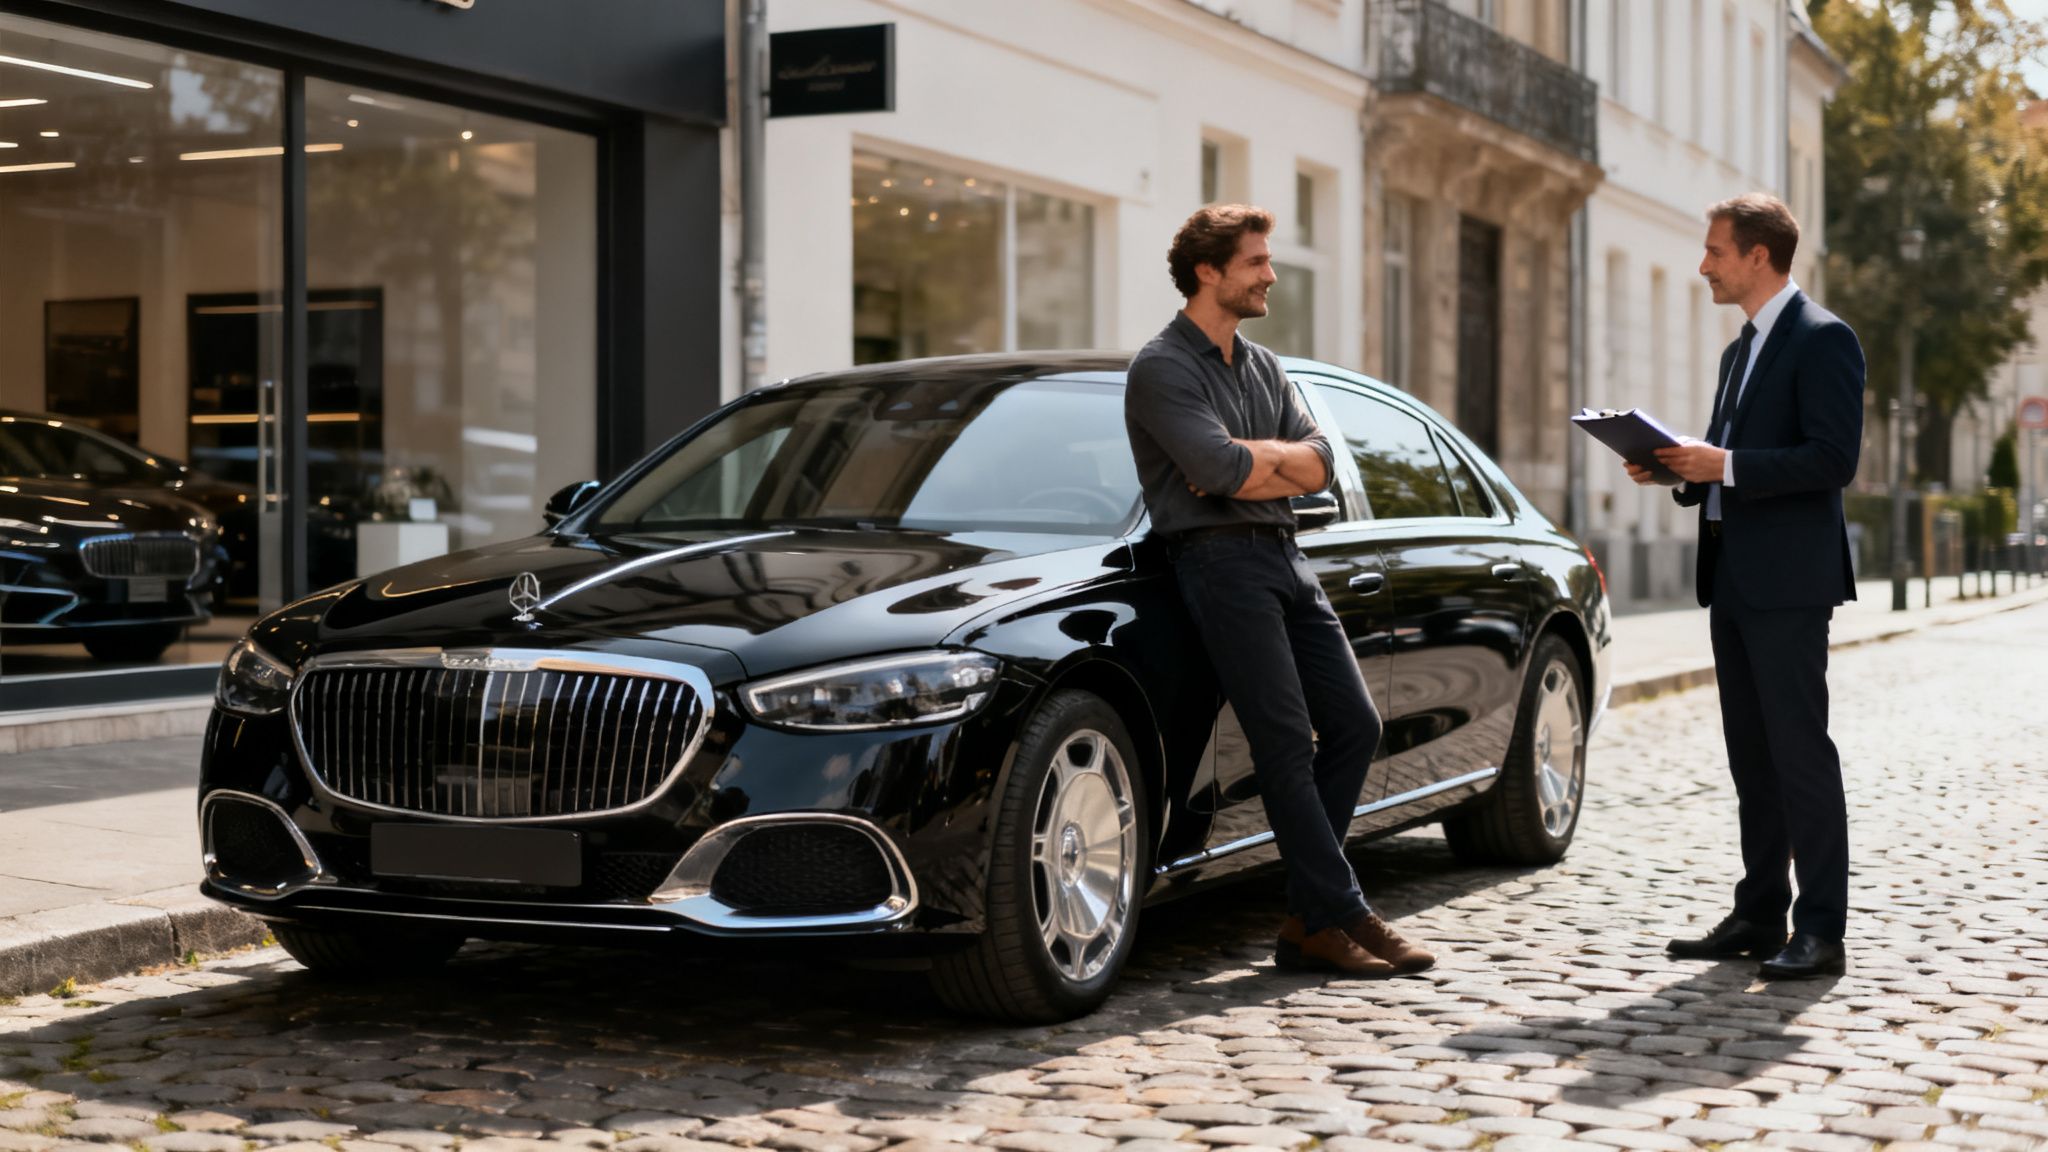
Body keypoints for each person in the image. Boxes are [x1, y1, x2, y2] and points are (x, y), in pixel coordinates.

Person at [1124, 204, 1433, 977]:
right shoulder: (1161, 367)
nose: (1271, 274)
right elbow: (1219, 473)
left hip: (1288, 557)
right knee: (1287, 742)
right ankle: (1345, 912)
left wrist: (1249, 462)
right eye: (1257, 262)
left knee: (1356, 726)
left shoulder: (1264, 367)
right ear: (1209, 271)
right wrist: (1258, 465)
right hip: (1217, 562)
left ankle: (1307, 921)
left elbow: (1324, 462)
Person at [1628, 192, 1864, 979]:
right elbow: (1726, 461)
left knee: (1800, 754)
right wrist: (1672, 467)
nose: (1704, 264)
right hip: (1730, 574)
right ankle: (1762, 912)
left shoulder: (1825, 339)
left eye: (1715, 251)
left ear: (1758, 255)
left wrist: (1721, 464)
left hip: (1791, 582)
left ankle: (1821, 928)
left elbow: (1833, 460)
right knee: (1751, 759)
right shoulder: (1740, 351)